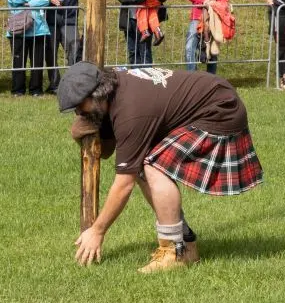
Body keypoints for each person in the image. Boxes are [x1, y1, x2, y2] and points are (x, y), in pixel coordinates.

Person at [64, 62, 263, 274]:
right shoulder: (114, 89)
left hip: (219, 109)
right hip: (210, 98)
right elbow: (105, 152)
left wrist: (97, 230)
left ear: (97, 95)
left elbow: (124, 184)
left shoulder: (131, 111)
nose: (77, 111)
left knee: (152, 166)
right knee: (143, 166)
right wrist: (86, 132)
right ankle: (186, 247)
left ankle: (174, 252)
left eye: (79, 105)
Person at [38, 0, 87, 95]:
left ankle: (74, 83)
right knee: (50, 53)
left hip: (69, 19)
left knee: (74, 50)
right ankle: (54, 85)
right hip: (50, 21)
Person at [6, 0, 51, 97]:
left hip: (38, 28)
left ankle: (36, 89)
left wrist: (28, 3)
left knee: (37, 61)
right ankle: (18, 90)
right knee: (18, 60)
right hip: (18, 27)